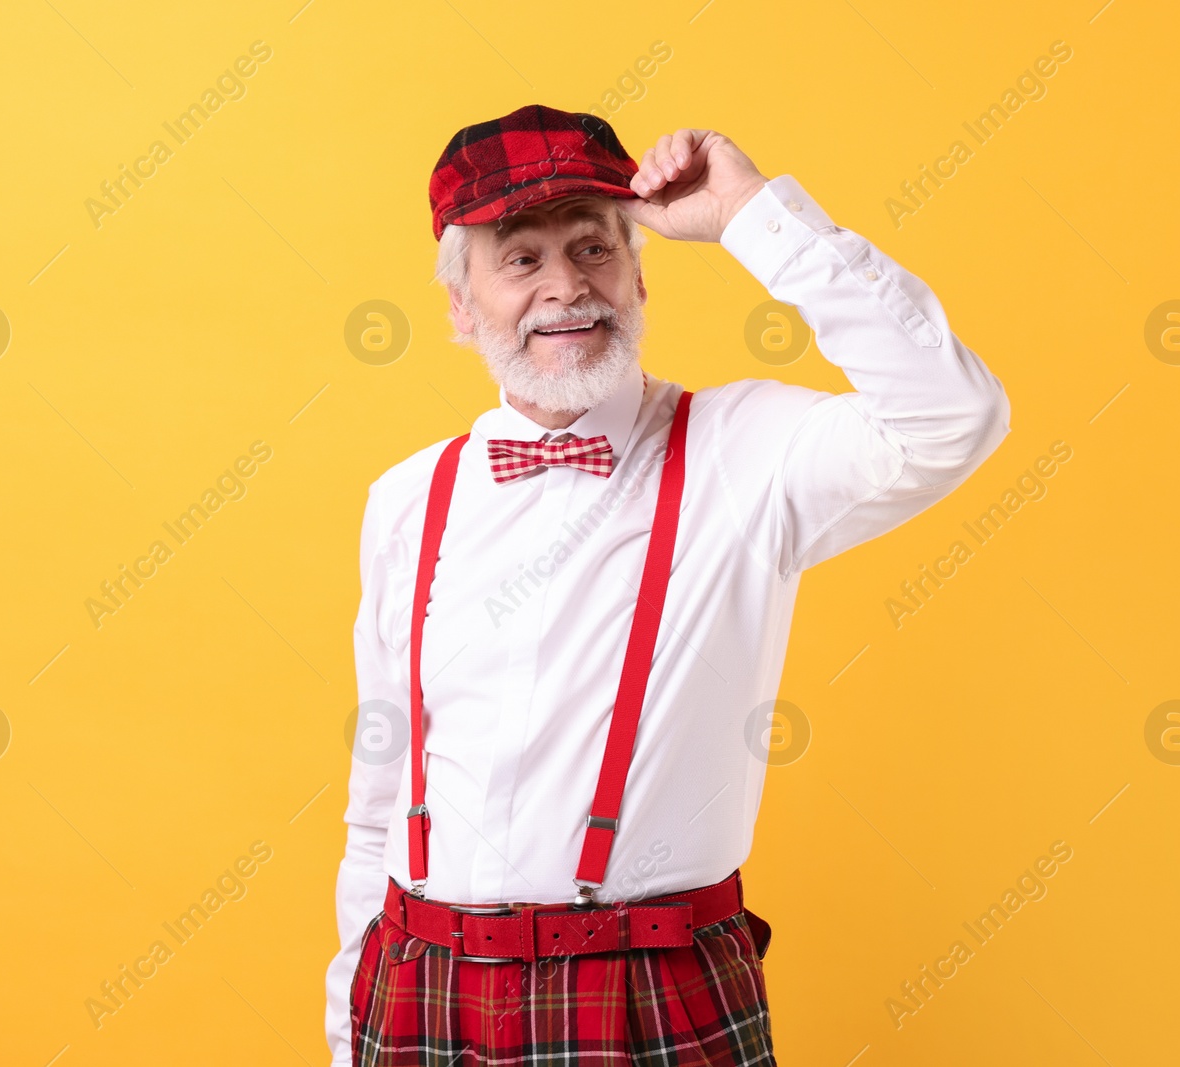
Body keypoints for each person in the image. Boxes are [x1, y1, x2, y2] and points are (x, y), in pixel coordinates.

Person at [325, 103, 1010, 1066]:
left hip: (646, 994)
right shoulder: (406, 500)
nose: (566, 287)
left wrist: (752, 215)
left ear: (639, 271)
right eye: (521, 258)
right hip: (420, 988)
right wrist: (349, 1020)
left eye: (593, 248)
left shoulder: (747, 449)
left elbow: (954, 414)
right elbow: (379, 786)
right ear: (460, 304)